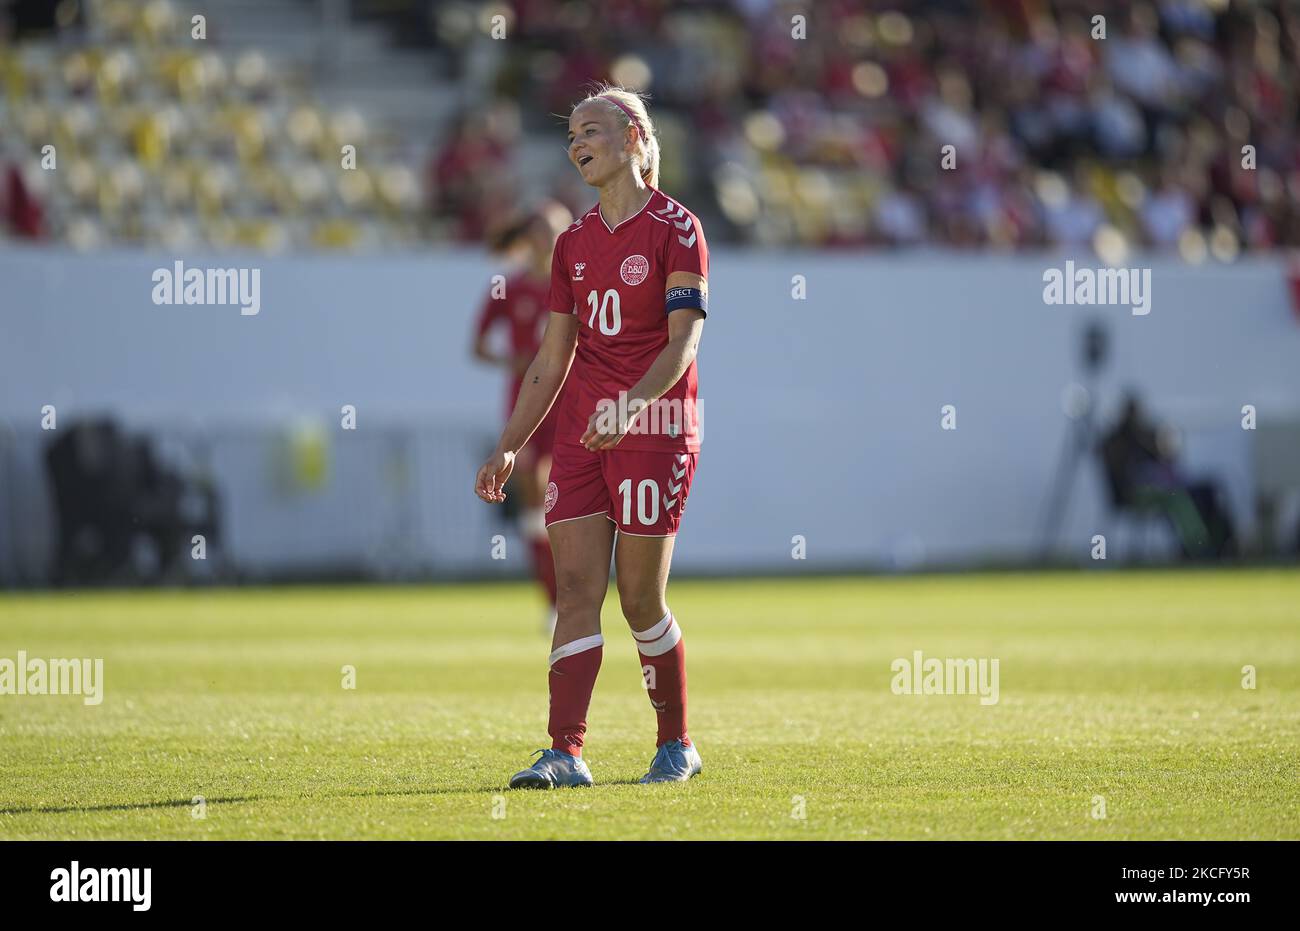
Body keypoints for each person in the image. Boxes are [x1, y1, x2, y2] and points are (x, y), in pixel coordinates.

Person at [474, 83, 709, 787]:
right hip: (580, 433)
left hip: (656, 427)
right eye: (572, 133)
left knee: (639, 598)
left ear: (635, 137)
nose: (578, 142)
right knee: (576, 586)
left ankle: (677, 744)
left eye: (592, 130)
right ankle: (565, 751)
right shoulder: (572, 243)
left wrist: (631, 406)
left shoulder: (678, 227)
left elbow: (684, 343)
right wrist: (511, 443)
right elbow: (553, 360)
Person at [471, 202, 573, 630]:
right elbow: (477, 347)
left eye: (553, 231)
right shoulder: (508, 289)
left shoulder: (575, 287)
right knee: (537, 494)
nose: (545, 239)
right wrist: (514, 363)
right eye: (539, 231)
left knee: (567, 502)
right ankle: (554, 598)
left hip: (570, 403)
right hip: (526, 406)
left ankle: (573, 594)